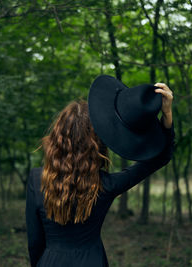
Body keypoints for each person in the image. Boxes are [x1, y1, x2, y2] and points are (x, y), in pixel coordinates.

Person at [26, 75, 175, 267]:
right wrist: (167, 116)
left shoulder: (36, 179)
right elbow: (160, 158)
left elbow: (35, 241)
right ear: (96, 144)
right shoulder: (106, 185)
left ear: (59, 136)